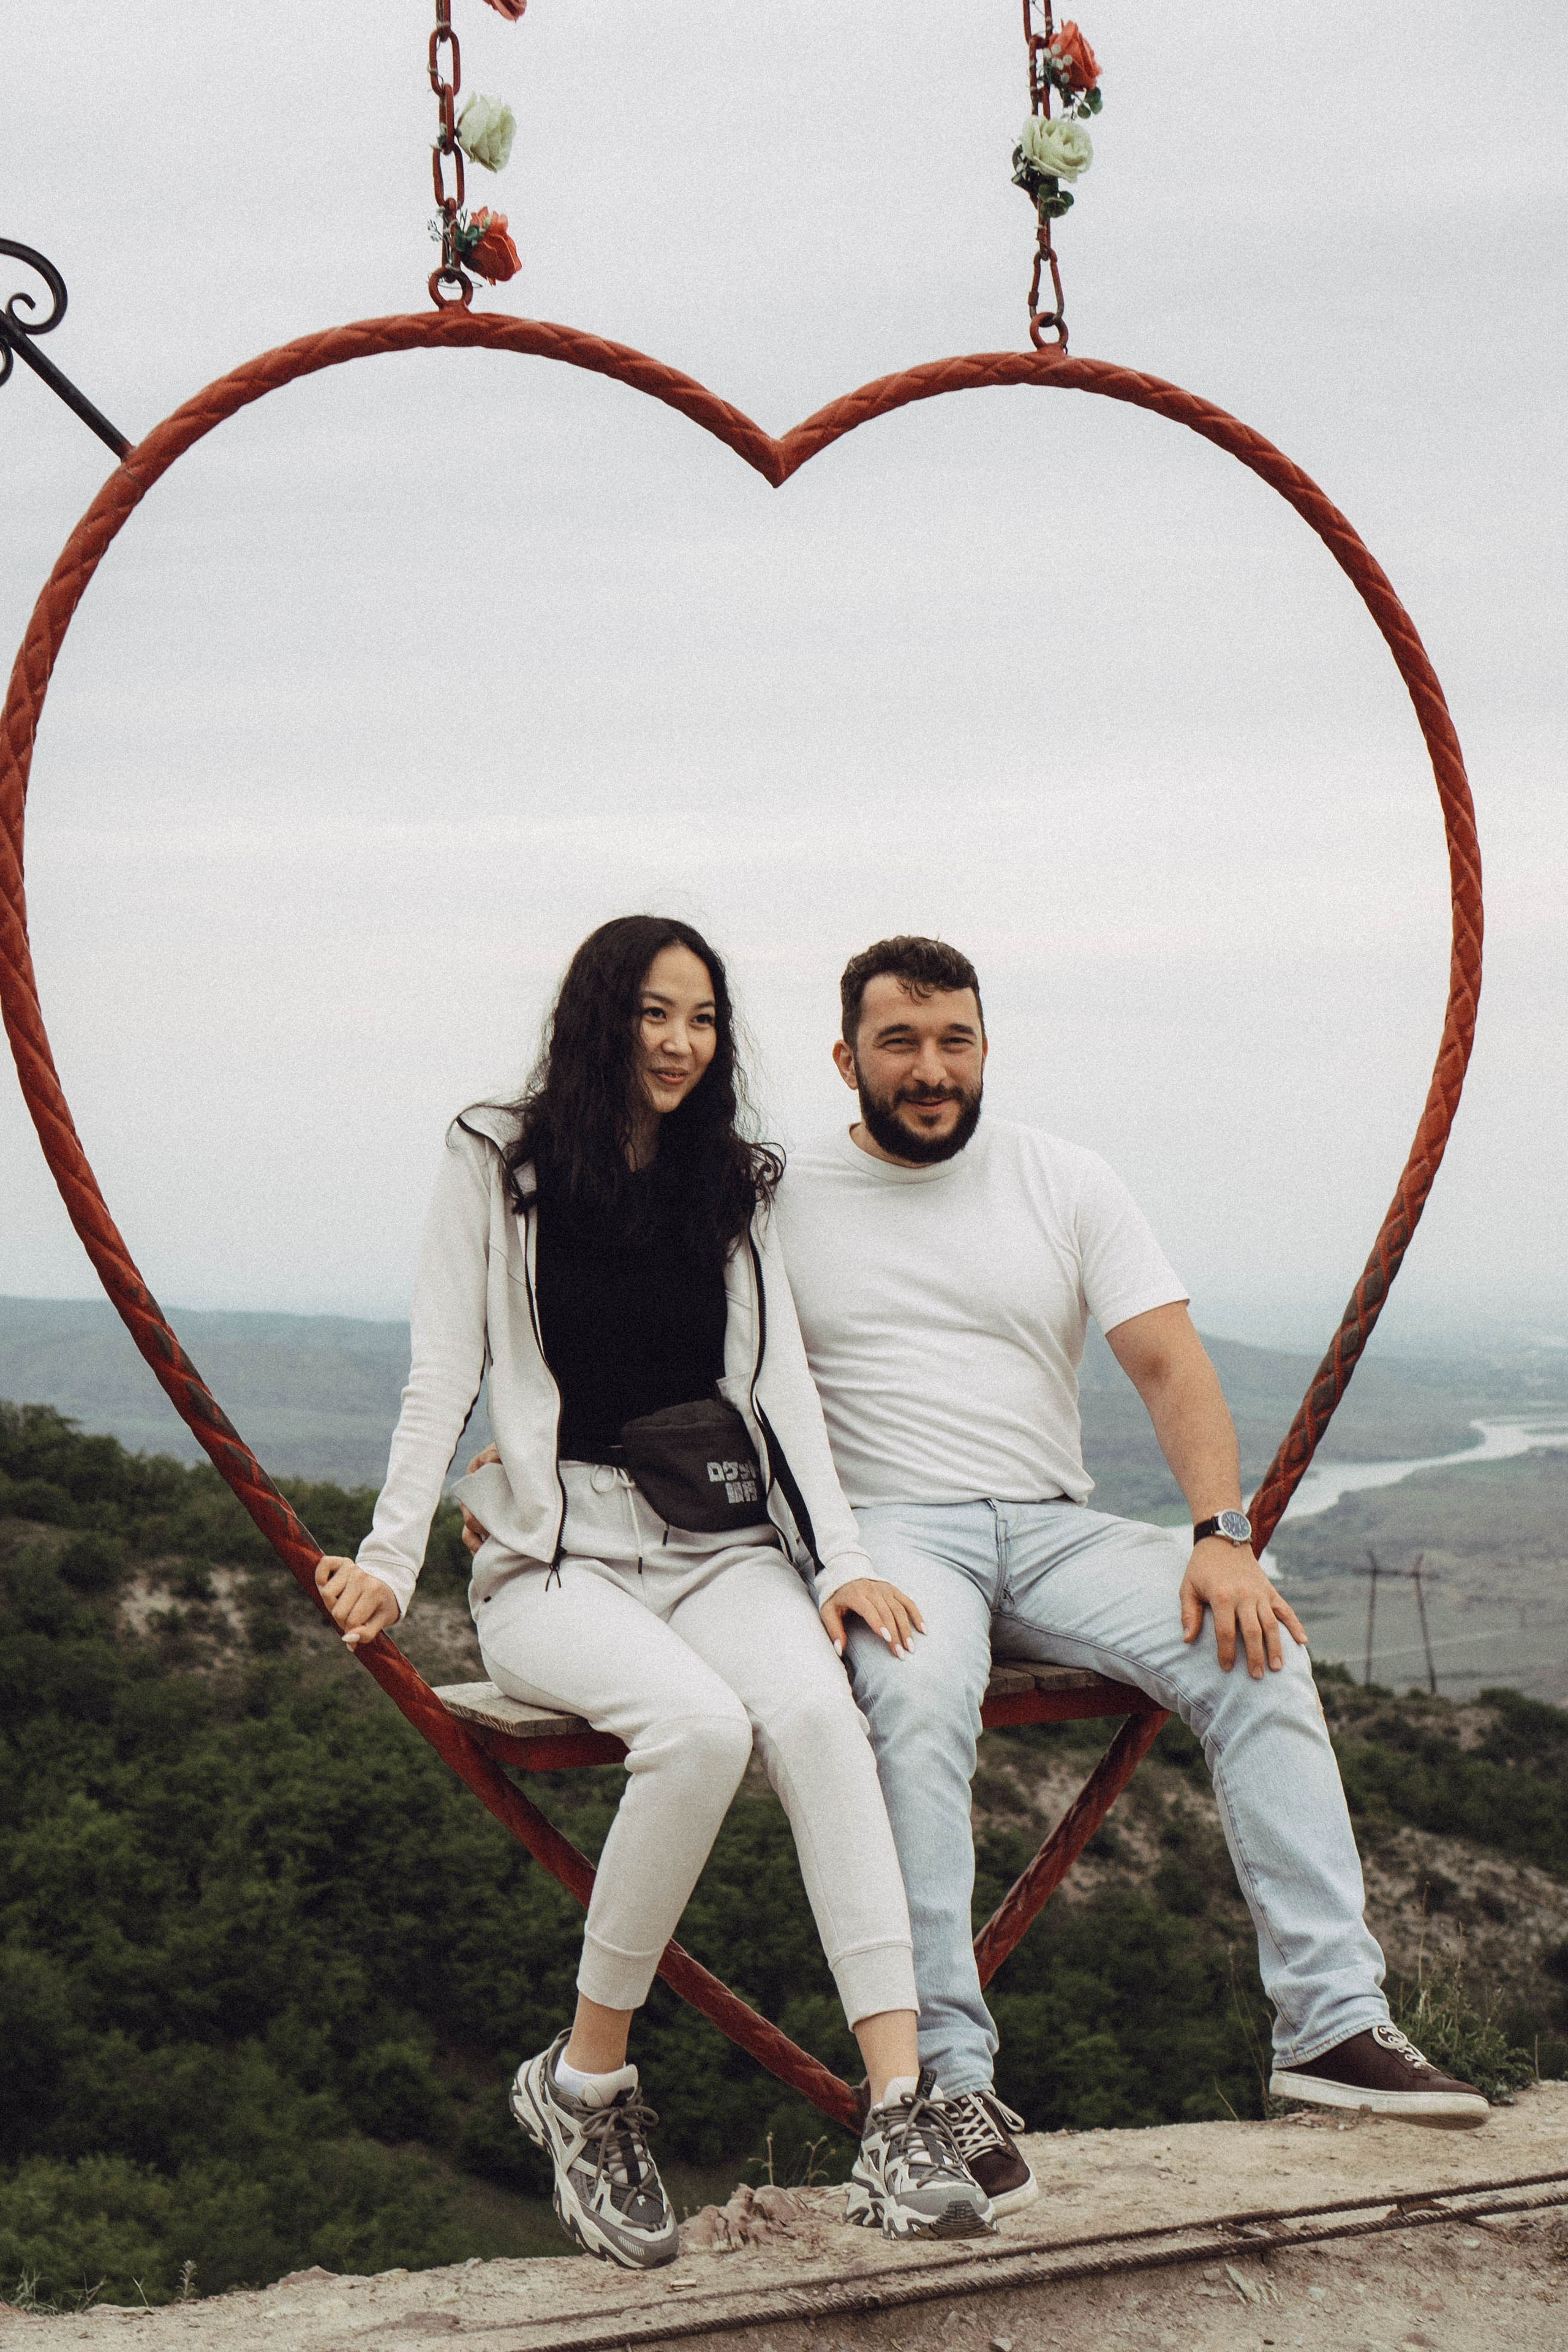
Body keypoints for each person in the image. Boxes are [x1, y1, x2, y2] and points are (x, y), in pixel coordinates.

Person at [767, 933, 1490, 2214]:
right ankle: (946, 2080)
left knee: (1254, 1642)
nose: (930, 1069)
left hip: (1047, 1523)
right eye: (899, 1043)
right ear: (845, 1059)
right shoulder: (776, 1188)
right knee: (916, 1706)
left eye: (953, 1041)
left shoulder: (1060, 1179)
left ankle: (1328, 2026)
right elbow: (665, 1335)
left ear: (984, 1048)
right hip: (888, 1533)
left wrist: (1219, 1534)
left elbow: (1165, 1365)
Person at [314, 916, 992, 2270]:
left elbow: (777, 1385)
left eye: (703, 1020)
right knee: (697, 1733)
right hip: (552, 1560)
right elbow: (442, 1368)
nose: (682, 1044)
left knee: (815, 1716)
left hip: (714, 1544)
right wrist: (390, 1557)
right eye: (654, 1015)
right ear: (600, 1016)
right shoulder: (497, 1156)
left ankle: (901, 2109)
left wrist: (841, 1562)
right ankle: (585, 2088)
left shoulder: (726, 1180)